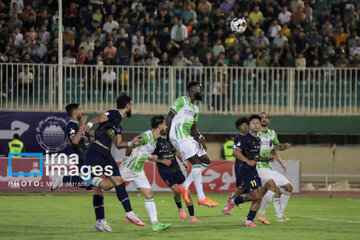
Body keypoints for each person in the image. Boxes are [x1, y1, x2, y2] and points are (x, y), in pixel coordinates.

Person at [82, 93, 144, 232]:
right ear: (127, 105)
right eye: (131, 105)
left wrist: (131, 143)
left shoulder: (118, 125)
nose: (131, 108)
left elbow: (119, 144)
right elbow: (100, 118)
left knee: (118, 182)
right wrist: (90, 124)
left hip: (106, 155)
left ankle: (129, 214)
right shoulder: (114, 113)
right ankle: (64, 179)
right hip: (96, 152)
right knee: (94, 186)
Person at [166, 81, 218, 208]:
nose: (202, 92)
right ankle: (201, 197)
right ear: (192, 89)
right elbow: (168, 118)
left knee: (205, 160)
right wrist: (167, 140)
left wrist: (200, 137)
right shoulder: (181, 100)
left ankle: (184, 187)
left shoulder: (196, 109)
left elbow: (194, 129)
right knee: (196, 162)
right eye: (200, 89)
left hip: (187, 136)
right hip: (177, 135)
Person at [119, 115, 173, 231]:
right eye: (165, 124)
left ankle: (155, 224)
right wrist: (129, 155)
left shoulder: (154, 140)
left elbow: (142, 151)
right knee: (107, 186)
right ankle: (86, 180)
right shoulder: (146, 136)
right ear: (159, 126)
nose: (166, 127)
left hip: (138, 171)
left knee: (149, 194)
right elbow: (131, 144)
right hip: (129, 167)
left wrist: (150, 156)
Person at [223, 114, 272, 227]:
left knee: (259, 195)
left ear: (260, 126)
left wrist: (265, 159)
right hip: (245, 170)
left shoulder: (258, 139)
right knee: (255, 195)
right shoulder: (244, 138)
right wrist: (246, 161)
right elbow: (235, 152)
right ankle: (234, 201)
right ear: (250, 125)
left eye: (258, 123)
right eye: (253, 123)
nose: (256, 124)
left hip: (254, 170)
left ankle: (249, 219)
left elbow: (255, 157)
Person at [153, 128, 199, 222]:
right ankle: (180, 208)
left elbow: (177, 153)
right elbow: (151, 157)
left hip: (176, 169)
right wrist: (163, 161)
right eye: (164, 125)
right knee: (176, 190)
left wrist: (184, 161)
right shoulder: (156, 141)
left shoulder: (172, 140)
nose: (166, 128)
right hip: (165, 171)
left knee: (186, 191)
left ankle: (192, 217)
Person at [256, 112, 292, 223]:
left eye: (266, 117)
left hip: (269, 167)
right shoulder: (255, 133)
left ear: (269, 121)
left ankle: (279, 213)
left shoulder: (272, 133)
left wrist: (283, 150)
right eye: (262, 117)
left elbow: (276, 149)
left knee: (288, 187)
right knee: (273, 189)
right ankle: (262, 213)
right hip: (258, 166)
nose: (264, 119)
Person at [50, 103, 90, 190]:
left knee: (90, 184)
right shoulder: (71, 125)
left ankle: (63, 179)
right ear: (75, 112)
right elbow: (75, 141)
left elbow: (83, 141)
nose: (81, 112)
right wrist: (83, 124)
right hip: (82, 157)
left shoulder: (76, 126)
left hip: (87, 156)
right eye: (80, 110)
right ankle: (63, 178)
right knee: (89, 184)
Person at [222, 116, 249, 215]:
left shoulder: (251, 138)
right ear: (239, 127)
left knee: (247, 189)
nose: (245, 126)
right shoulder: (238, 139)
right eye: (243, 125)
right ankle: (229, 205)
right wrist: (246, 160)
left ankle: (232, 202)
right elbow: (235, 153)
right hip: (241, 165)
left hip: (250, 166)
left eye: (246, 124)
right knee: (242, 187)